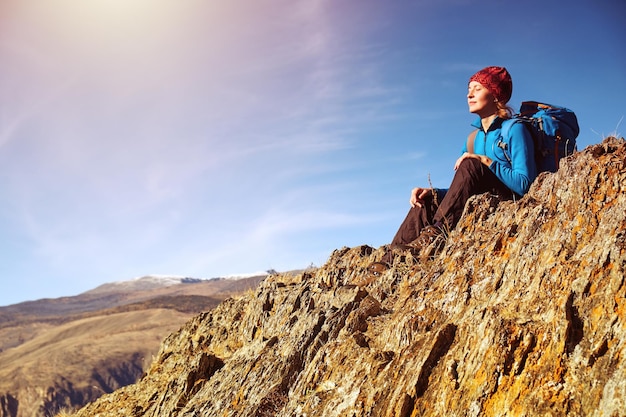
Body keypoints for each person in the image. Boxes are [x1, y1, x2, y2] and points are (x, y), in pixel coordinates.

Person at [368, 66, 537, 276]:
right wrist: (434, 192)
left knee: (471, 164)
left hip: (506, 203)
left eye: (478, 88)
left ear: (495, 95)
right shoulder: (473, 139)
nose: (469, 94)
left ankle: (434, 237)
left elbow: (525, 184)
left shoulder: (514, 129)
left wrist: (484, 160)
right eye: (469, 88)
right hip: (477, 203)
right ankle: (386, 265)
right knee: (426, 200)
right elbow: (462, 190)